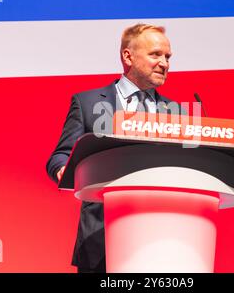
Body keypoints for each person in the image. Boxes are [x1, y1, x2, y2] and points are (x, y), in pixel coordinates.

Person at [46, 23, 181, 273]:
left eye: (168, 56)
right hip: (101, 240)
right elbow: (59, 156)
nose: (165, 63)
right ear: (128, 56)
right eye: (155, 54)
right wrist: (63, 169)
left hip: (164, 238)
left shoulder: (177, 112)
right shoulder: (87, 103)